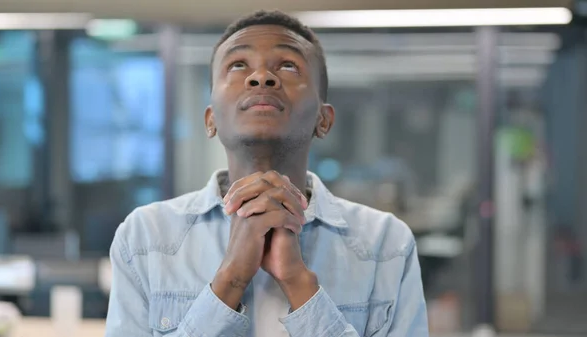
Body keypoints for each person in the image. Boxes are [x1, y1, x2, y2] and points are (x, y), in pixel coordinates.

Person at [105, 10, 428, 337]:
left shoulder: (386, 245)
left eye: (288, 65)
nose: (261, 77)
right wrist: (230, 280)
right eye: (237, 65)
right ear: (210, 118)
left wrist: (299, 285)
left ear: (324, 119)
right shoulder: (145, 239)